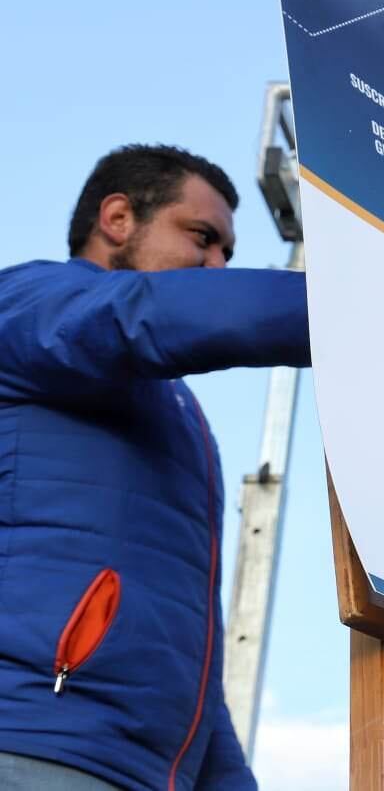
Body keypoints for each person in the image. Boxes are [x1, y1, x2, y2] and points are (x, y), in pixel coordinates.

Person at [0, 145, 310, 791]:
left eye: (226, 251)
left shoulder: (178, 411)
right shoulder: (31, 300)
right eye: (203, 237)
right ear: (117, 217)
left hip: (138, 771)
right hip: (33, 742)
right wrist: (365, 307)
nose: (219, 265)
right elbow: (143, 313)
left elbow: (191, 658)